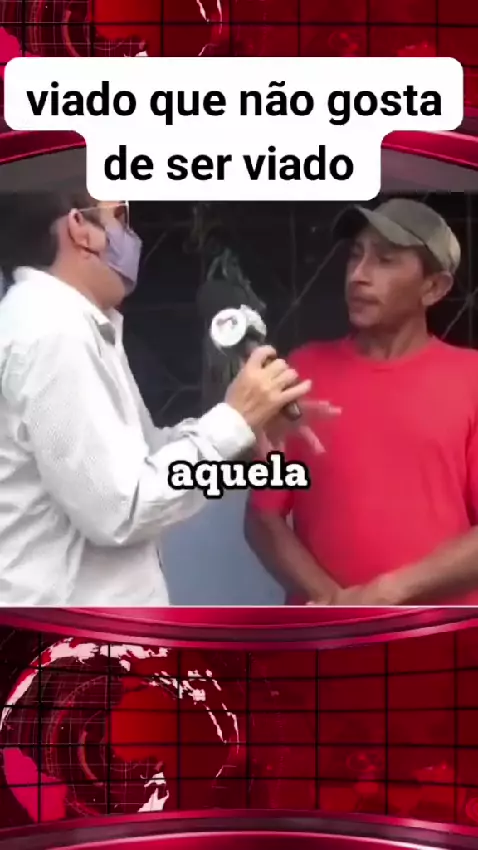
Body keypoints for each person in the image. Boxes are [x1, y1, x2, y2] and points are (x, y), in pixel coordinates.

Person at [0, 191, 319, 606]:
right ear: (81, 229)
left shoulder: (72, 326)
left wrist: (244, 427)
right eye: (121, 218)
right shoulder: (53, 334)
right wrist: (232, 421)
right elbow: (122, 509)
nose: (133, 238)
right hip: (74, 634)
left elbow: (144, 460)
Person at [245, 197, 478, 606]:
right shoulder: (301, 373)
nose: (358, 275)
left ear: (434, 287)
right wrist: (335, 604)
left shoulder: (470, 378)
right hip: (324, 632)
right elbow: (263, 517)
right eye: (355, 255)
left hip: (440, 635)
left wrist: (388, 593)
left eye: (385, 260)